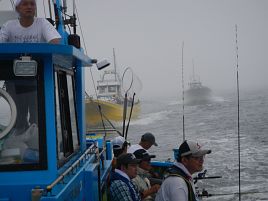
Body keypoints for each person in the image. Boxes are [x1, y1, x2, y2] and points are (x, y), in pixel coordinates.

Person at [0, 0, 61, 134]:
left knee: (38, 116)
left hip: (38, 80)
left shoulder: (42, 23)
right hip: (14, 80)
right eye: (25, 4)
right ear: (18, 8)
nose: (29, 7)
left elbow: (55, 42)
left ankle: (38, 143)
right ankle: (19, 137)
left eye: (32, 4)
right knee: (18, 116)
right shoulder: (9, 26)